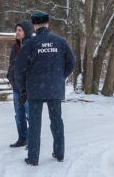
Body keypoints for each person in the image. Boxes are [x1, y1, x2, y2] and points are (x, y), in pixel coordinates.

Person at [15, 12, 75, 166]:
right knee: (57, 121)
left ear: (34, 26)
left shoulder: (30, 44)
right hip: (54, 89)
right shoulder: (60, 41)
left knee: (35, 123)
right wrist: (60, 77)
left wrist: (23, 89)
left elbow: (19, 69)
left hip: (35, 89)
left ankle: (33, 158)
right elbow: (71, 62)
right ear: (47, 25)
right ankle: (59, 153)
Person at [7, 20, 34, 148]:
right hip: (16, 86)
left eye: (20, 30)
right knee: (19, 114)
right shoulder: (14, 47)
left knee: (30, 114)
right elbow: (12, 66)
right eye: (16, 30)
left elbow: (32, 67)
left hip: (28, 87)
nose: (17, 32)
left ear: (26, 32)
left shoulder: (32, 46)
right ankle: (22, 139)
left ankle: (32, 140)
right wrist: (11, 78)